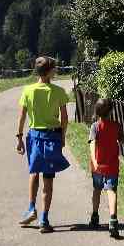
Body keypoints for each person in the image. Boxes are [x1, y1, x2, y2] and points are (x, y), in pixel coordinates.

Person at [16, 56, 71, 233]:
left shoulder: (28, 90)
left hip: (34, 136)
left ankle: (31, 207)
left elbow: (22, 116)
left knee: (34, 171)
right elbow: (64, 118)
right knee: (48, 179)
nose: (56, 71)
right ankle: (44, 219)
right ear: (48, 72)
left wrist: (19, 137)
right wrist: (62, 136)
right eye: (54, 68)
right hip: (52, 137)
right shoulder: (59, 92)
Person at [88, 98, 123, 239]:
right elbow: (120, 139)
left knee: (97, 190)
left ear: (97, 111)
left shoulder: (95, 126)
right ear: (111, 112)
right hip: (112, 165)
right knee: (112, 191)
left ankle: (95, 216)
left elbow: (92, 143)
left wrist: (94, 160)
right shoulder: (116, 126)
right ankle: (113, 220)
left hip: (98, 166)